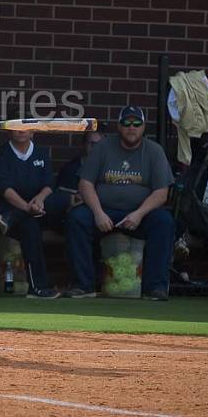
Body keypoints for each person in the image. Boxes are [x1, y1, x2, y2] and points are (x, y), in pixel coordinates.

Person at [64, 105, 175, 301]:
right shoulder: (102, 148)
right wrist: (98, 213)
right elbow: (85, 183)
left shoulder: (154, 151)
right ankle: (84, 285)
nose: (131, 127)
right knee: (77, 218)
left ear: (143, 127)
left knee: (164, 222)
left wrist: (139, 214)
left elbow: (161, 192)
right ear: (119, 126)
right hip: (104, 212)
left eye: (136, 123)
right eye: (126, 123)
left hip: (139, 214)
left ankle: (154, 288)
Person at [0, 129, 63, 299]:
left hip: (37, 209)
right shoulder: (1, 154)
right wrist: (26, 208)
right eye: (17, 126)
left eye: (26, 127)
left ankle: (11, 218)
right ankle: (37, 288)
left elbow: (49, 184)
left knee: (63, 202)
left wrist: (39, 201)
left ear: (33, 132)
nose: (21, 131)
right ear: (9, 131)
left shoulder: (41, 153)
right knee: (30, 228)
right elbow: (5, 189)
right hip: (14, 209)